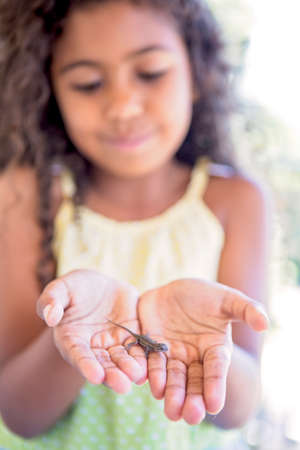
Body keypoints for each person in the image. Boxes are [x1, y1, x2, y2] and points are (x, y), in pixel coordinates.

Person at [0, 0, 270, 449]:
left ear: (197, 74)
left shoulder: (236, 200)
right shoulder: (22, 196)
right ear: (49, 89)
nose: (123, 107)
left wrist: (215, 350)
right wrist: (66, 339)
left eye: (150, 73)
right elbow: (18, 414)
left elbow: (240, 406)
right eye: (88, 83)